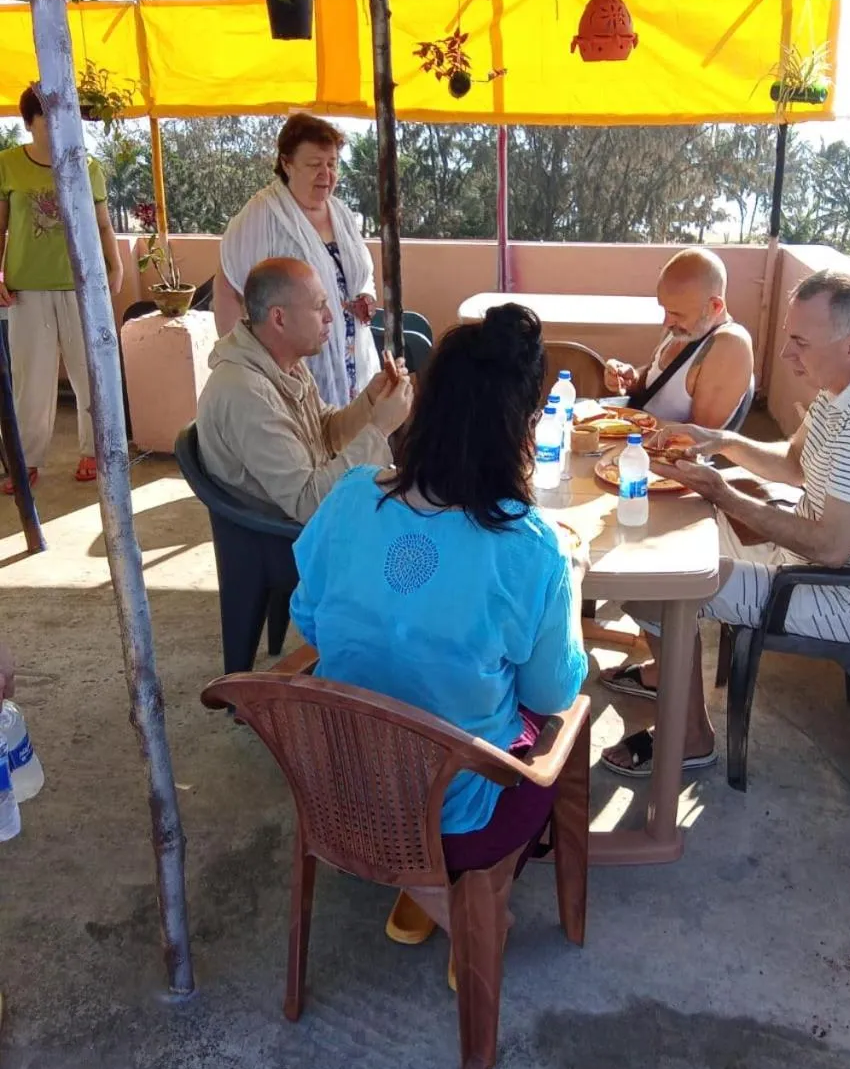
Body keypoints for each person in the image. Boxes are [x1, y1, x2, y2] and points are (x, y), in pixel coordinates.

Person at [290, 303, 589, 955]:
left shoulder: (349, 498)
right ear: (527, 426)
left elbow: (308, 619)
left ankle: (427, 893)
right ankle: (467, 904)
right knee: (559, 725)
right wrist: (573, 583)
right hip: (452, 815)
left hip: (336, 785)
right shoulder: (530, 546)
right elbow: (551, 694)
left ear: (422, 403)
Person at [600, 269, 850, 777]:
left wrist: (723, 491)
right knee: (658, 542)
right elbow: (792, 462)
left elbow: (831, 549)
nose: (787, 356)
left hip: (841, 592)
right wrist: (718, 442)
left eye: (800, 343)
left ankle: (692, 737)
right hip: (809, 553)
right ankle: (666, 670)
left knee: (658, 585)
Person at [197, 257, 411, 525]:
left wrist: (370, 401)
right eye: (318, 306)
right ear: (279, 318)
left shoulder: (286, 364)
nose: (330, 316)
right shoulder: (244, 392)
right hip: (281, 544)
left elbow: (325, 433)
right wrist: (380, 428)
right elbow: (309, 503)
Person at [0, 84, 123, 492]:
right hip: (26, 290)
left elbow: (104, 224)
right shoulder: (8, 165)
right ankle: (26, 461)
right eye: (46, 117)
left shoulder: (87, 167)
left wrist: (116, 267)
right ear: (29, 121)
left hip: (82, 288)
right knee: (29, 378)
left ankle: (96, 452)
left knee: (91, 375)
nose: (55, 126)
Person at [214, 114, 378, 409]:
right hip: (293, 372)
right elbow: (228, 286)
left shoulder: (340, 213)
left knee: (352, 438)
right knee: (309, 445)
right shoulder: (262, 214)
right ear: (287, 164)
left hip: (352, 359)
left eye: (332, 164)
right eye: (314, 165)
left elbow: (359, 272)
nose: (326, 174)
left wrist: (365, 295)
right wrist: (241, 367)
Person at [603, 247, 754, 428]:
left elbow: (700, 439)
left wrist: (633, 421)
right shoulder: (685, 329)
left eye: (677, 314)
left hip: (654, 452)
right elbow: (651, 386)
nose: (666, 322)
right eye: (665, 309)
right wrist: (628, 377)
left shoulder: (730, 345)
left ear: (714, 306)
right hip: (635, 438)